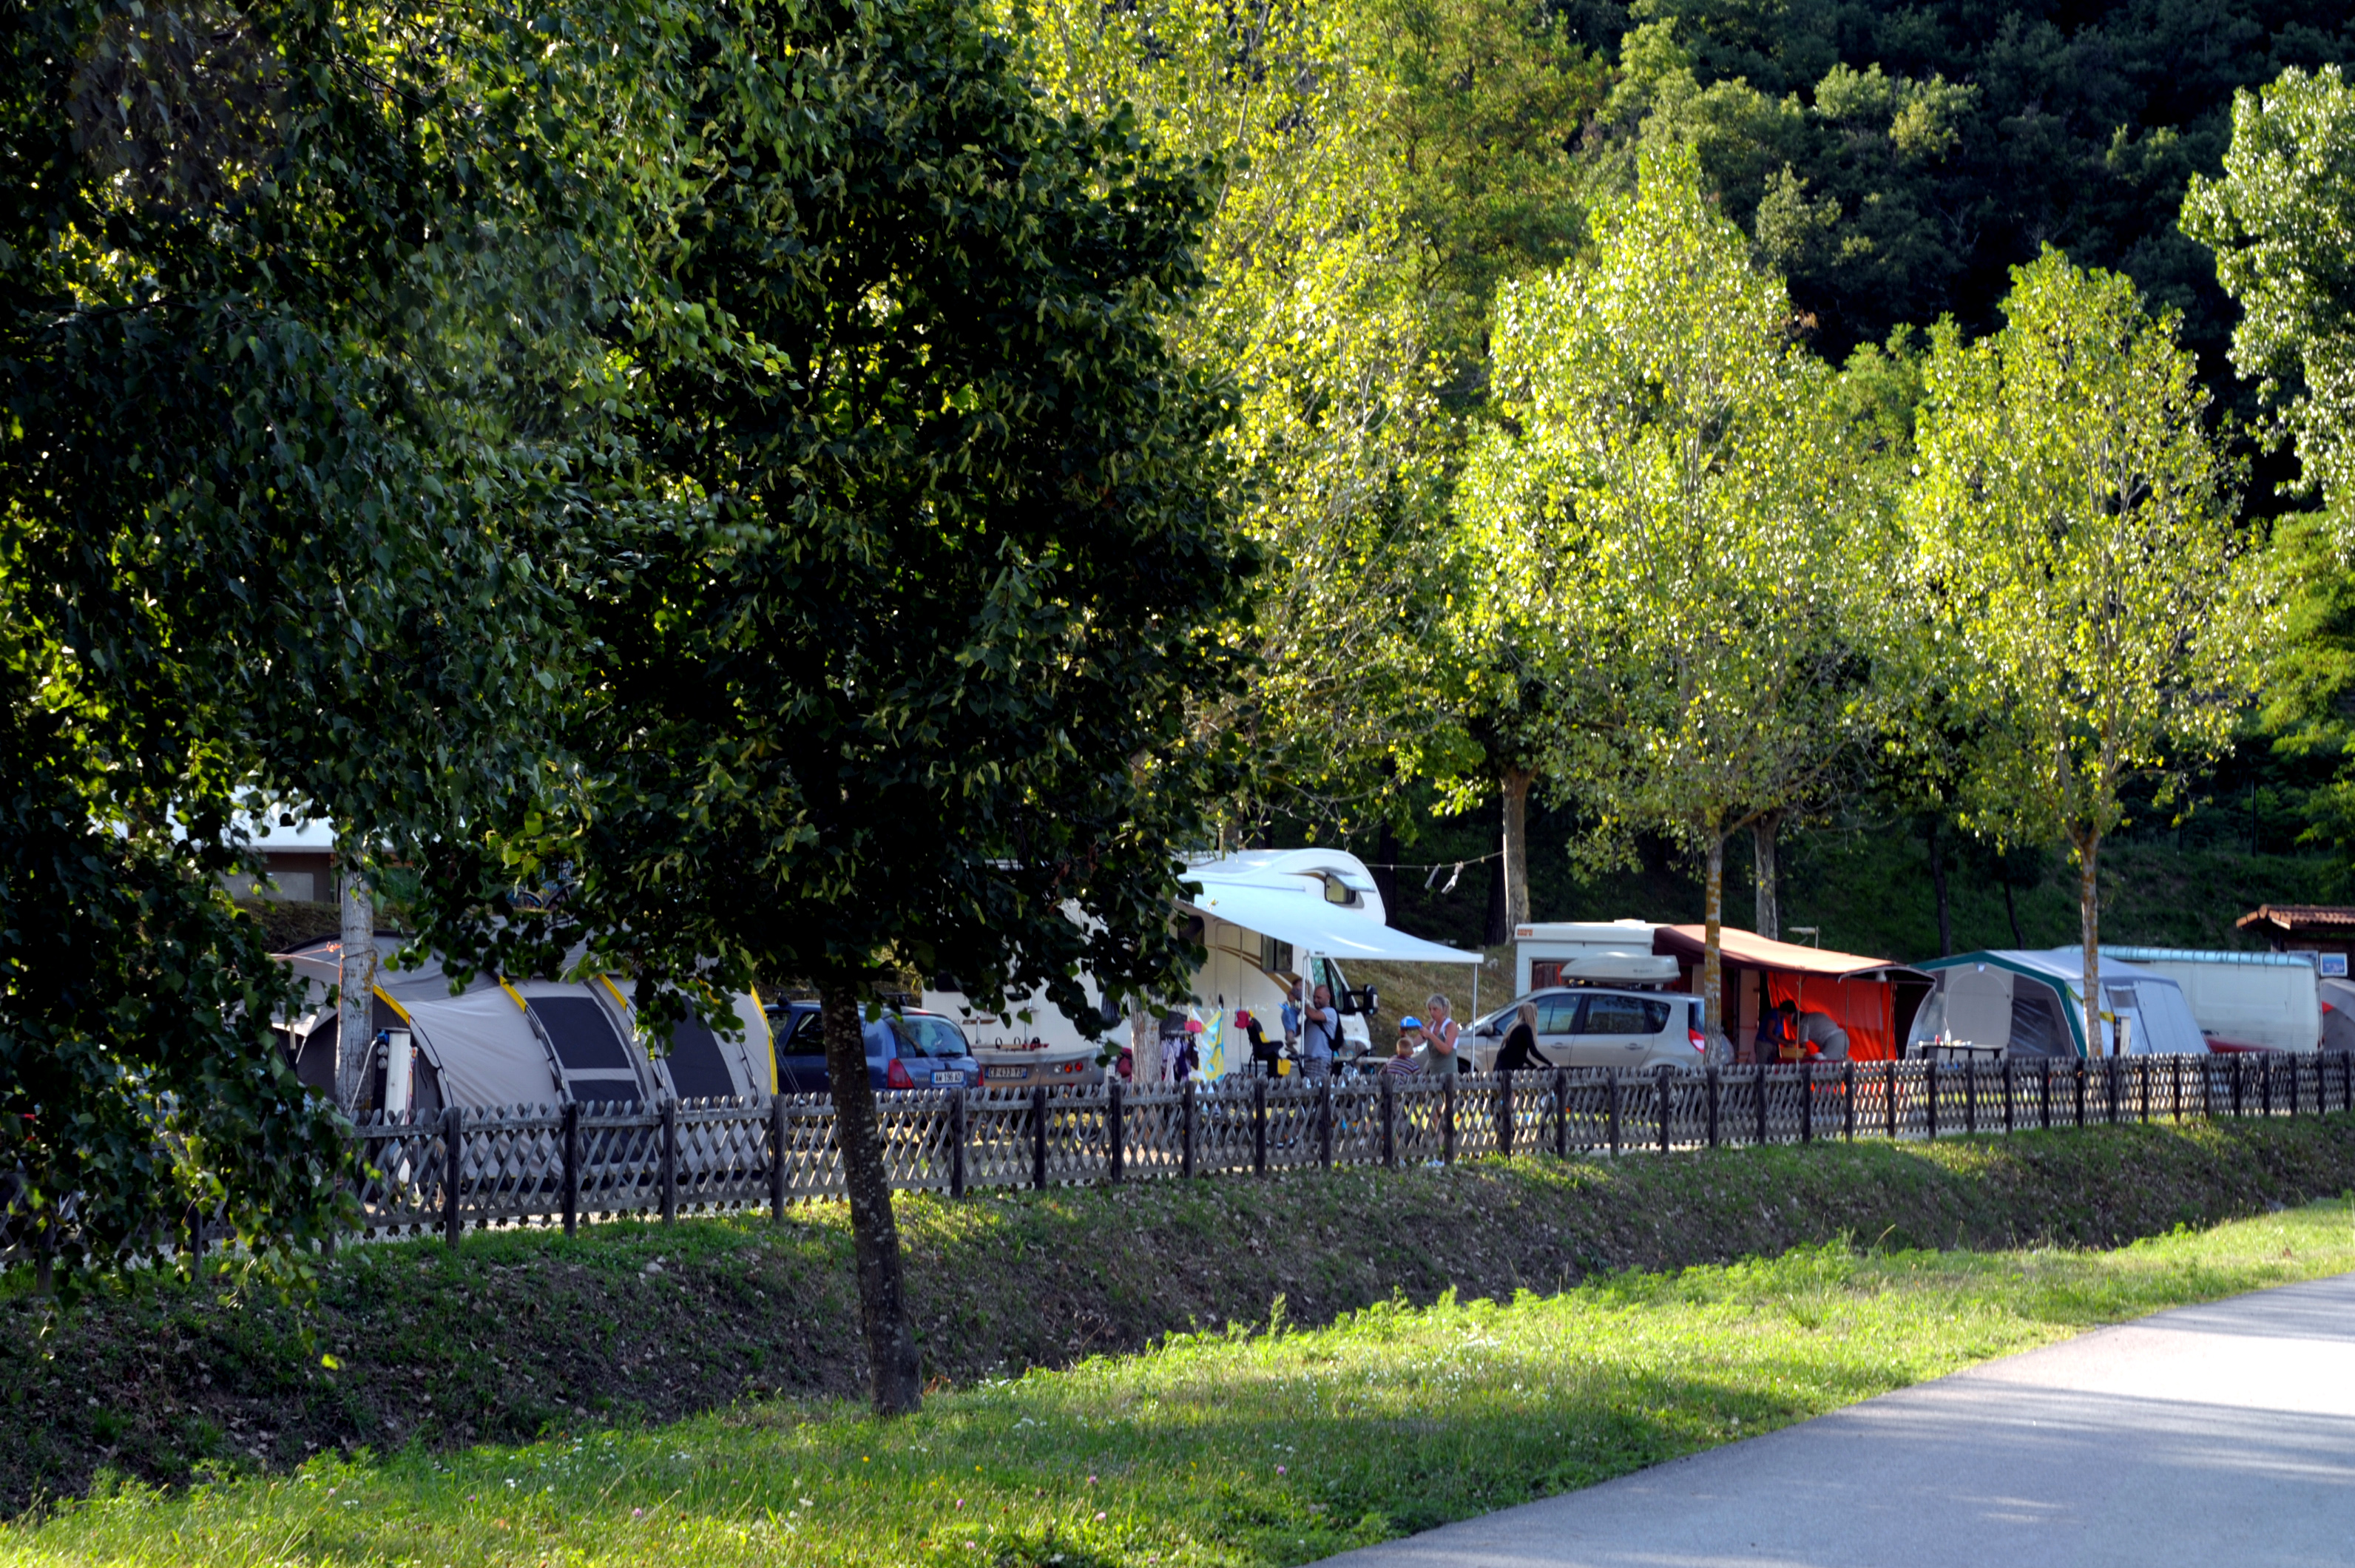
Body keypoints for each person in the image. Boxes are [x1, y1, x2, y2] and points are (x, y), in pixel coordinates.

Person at [1496, 1000, 1553, 1072]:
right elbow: (1533, 1052)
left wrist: (1534, 1066)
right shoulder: (1525, 1028)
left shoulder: (1513, 1026)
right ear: (1532, 1015)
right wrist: (1550, 1064)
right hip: (1508, 1071)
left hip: (1500, 1068)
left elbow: (1519, 1055)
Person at [1300, 983, 1340, 1084]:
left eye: (1319, 997)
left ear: (1328, 997)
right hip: (1307, 1059)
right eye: (1314, 997)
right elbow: (1298, 1031)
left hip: (1319, 1060)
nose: (1315, 1000)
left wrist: (1301, 1002)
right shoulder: (1311, 1015)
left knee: (1314, 1091)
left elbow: (1313, 1015)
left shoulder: (1330, 1012)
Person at [1424, 993, 1464, 1076]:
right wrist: (1404, 1035)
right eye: (1430, 1009)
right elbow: (1416, 1042)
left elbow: (1447, 1050)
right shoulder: (1431, 1024)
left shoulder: (1451, 1025)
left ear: (1444, 1009)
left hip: (1448, 1074)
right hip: (1433, 1073)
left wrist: (1431, 1036)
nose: (1432, 1012)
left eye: (1435, 1009)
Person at [1240, 1009, 1282, 1078]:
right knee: (1280, 1044)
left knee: (1274, 1055)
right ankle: (1274, 1076)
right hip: (1262, 1049)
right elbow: (1263, 1039)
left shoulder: (1250, 1025)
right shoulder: (1255, 1023)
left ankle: (1273, 1076)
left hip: (1257, 1051)